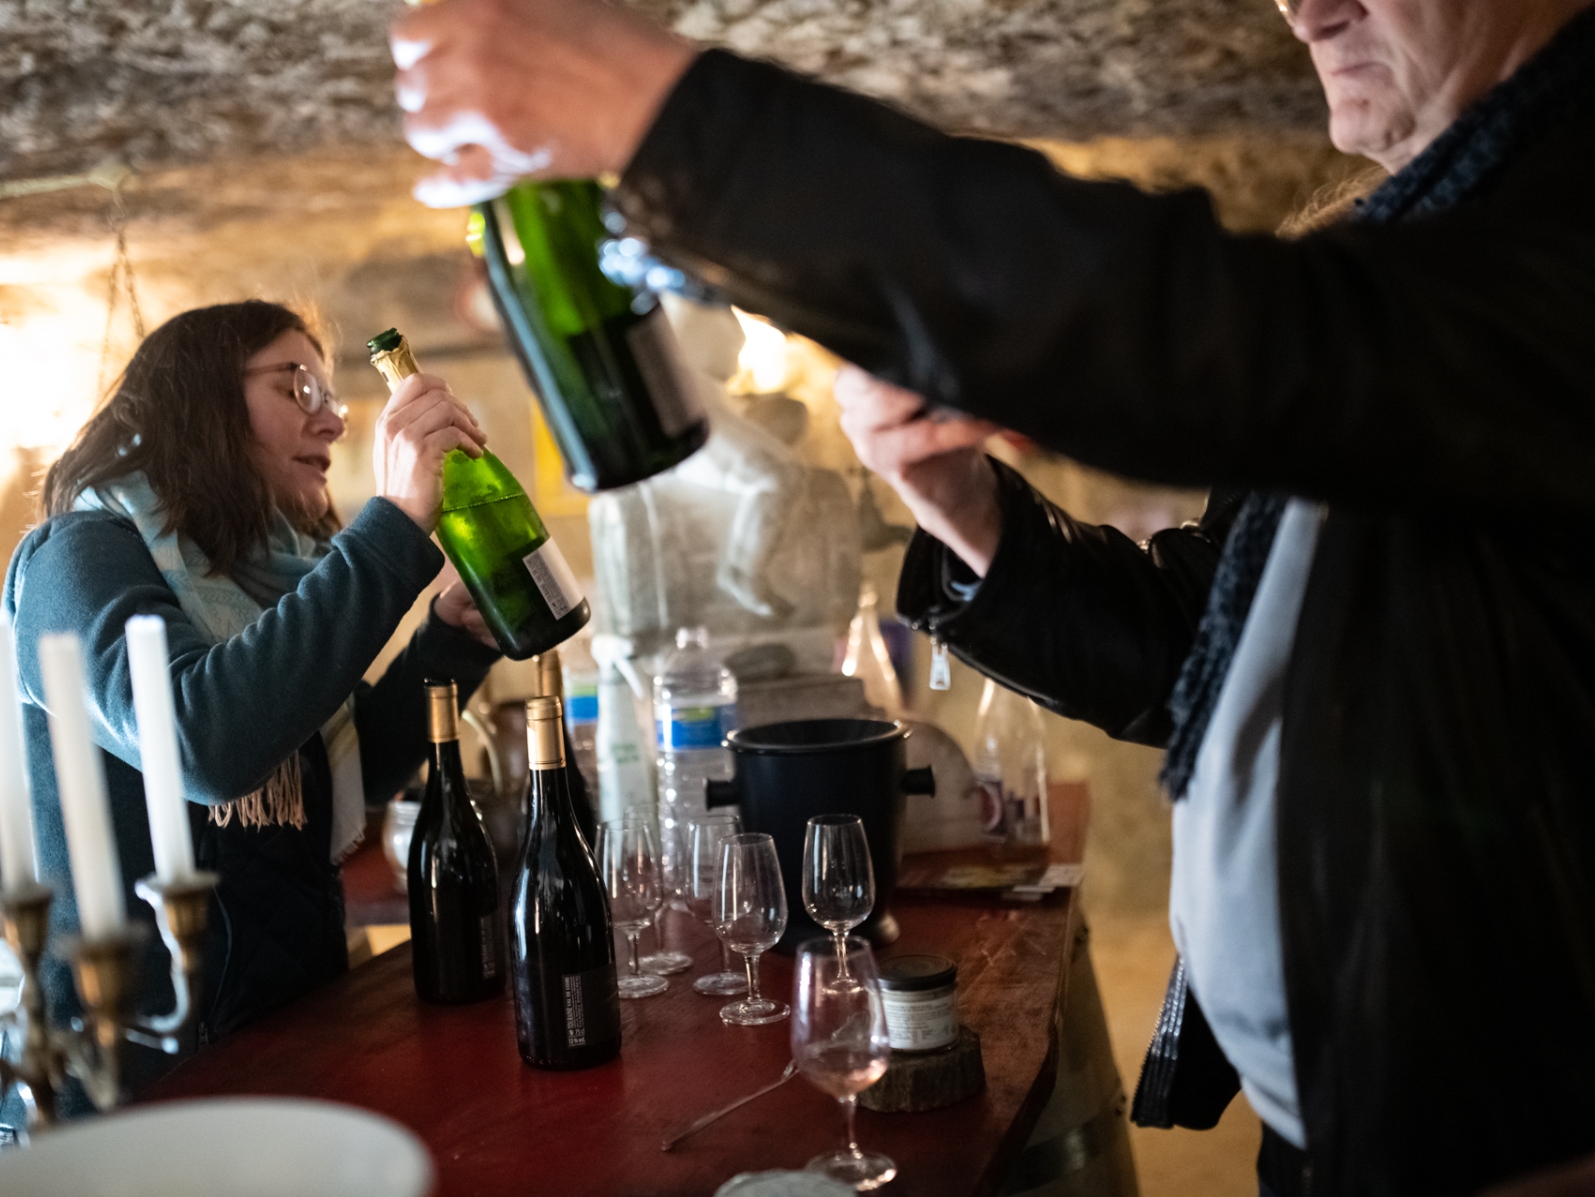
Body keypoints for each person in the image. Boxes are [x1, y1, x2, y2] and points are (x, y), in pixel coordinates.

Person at [389, 0, 1595, 1193]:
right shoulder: (1434, 247)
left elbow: (1214, 324)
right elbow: (1197, 652)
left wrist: (664, 114)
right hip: (1362, 1124)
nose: (1303, 6)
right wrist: (966, 507)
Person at [4, 300, 502, 1103]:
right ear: (200, 400)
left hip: (283, 1044)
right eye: (298, 385)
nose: (334, 419)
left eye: (329, 394)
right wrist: (391, 529)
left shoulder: (251, 576)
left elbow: (353, 769)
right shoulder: (79, 555)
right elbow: (203, 743)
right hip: (139, 1080)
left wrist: (452, 639)